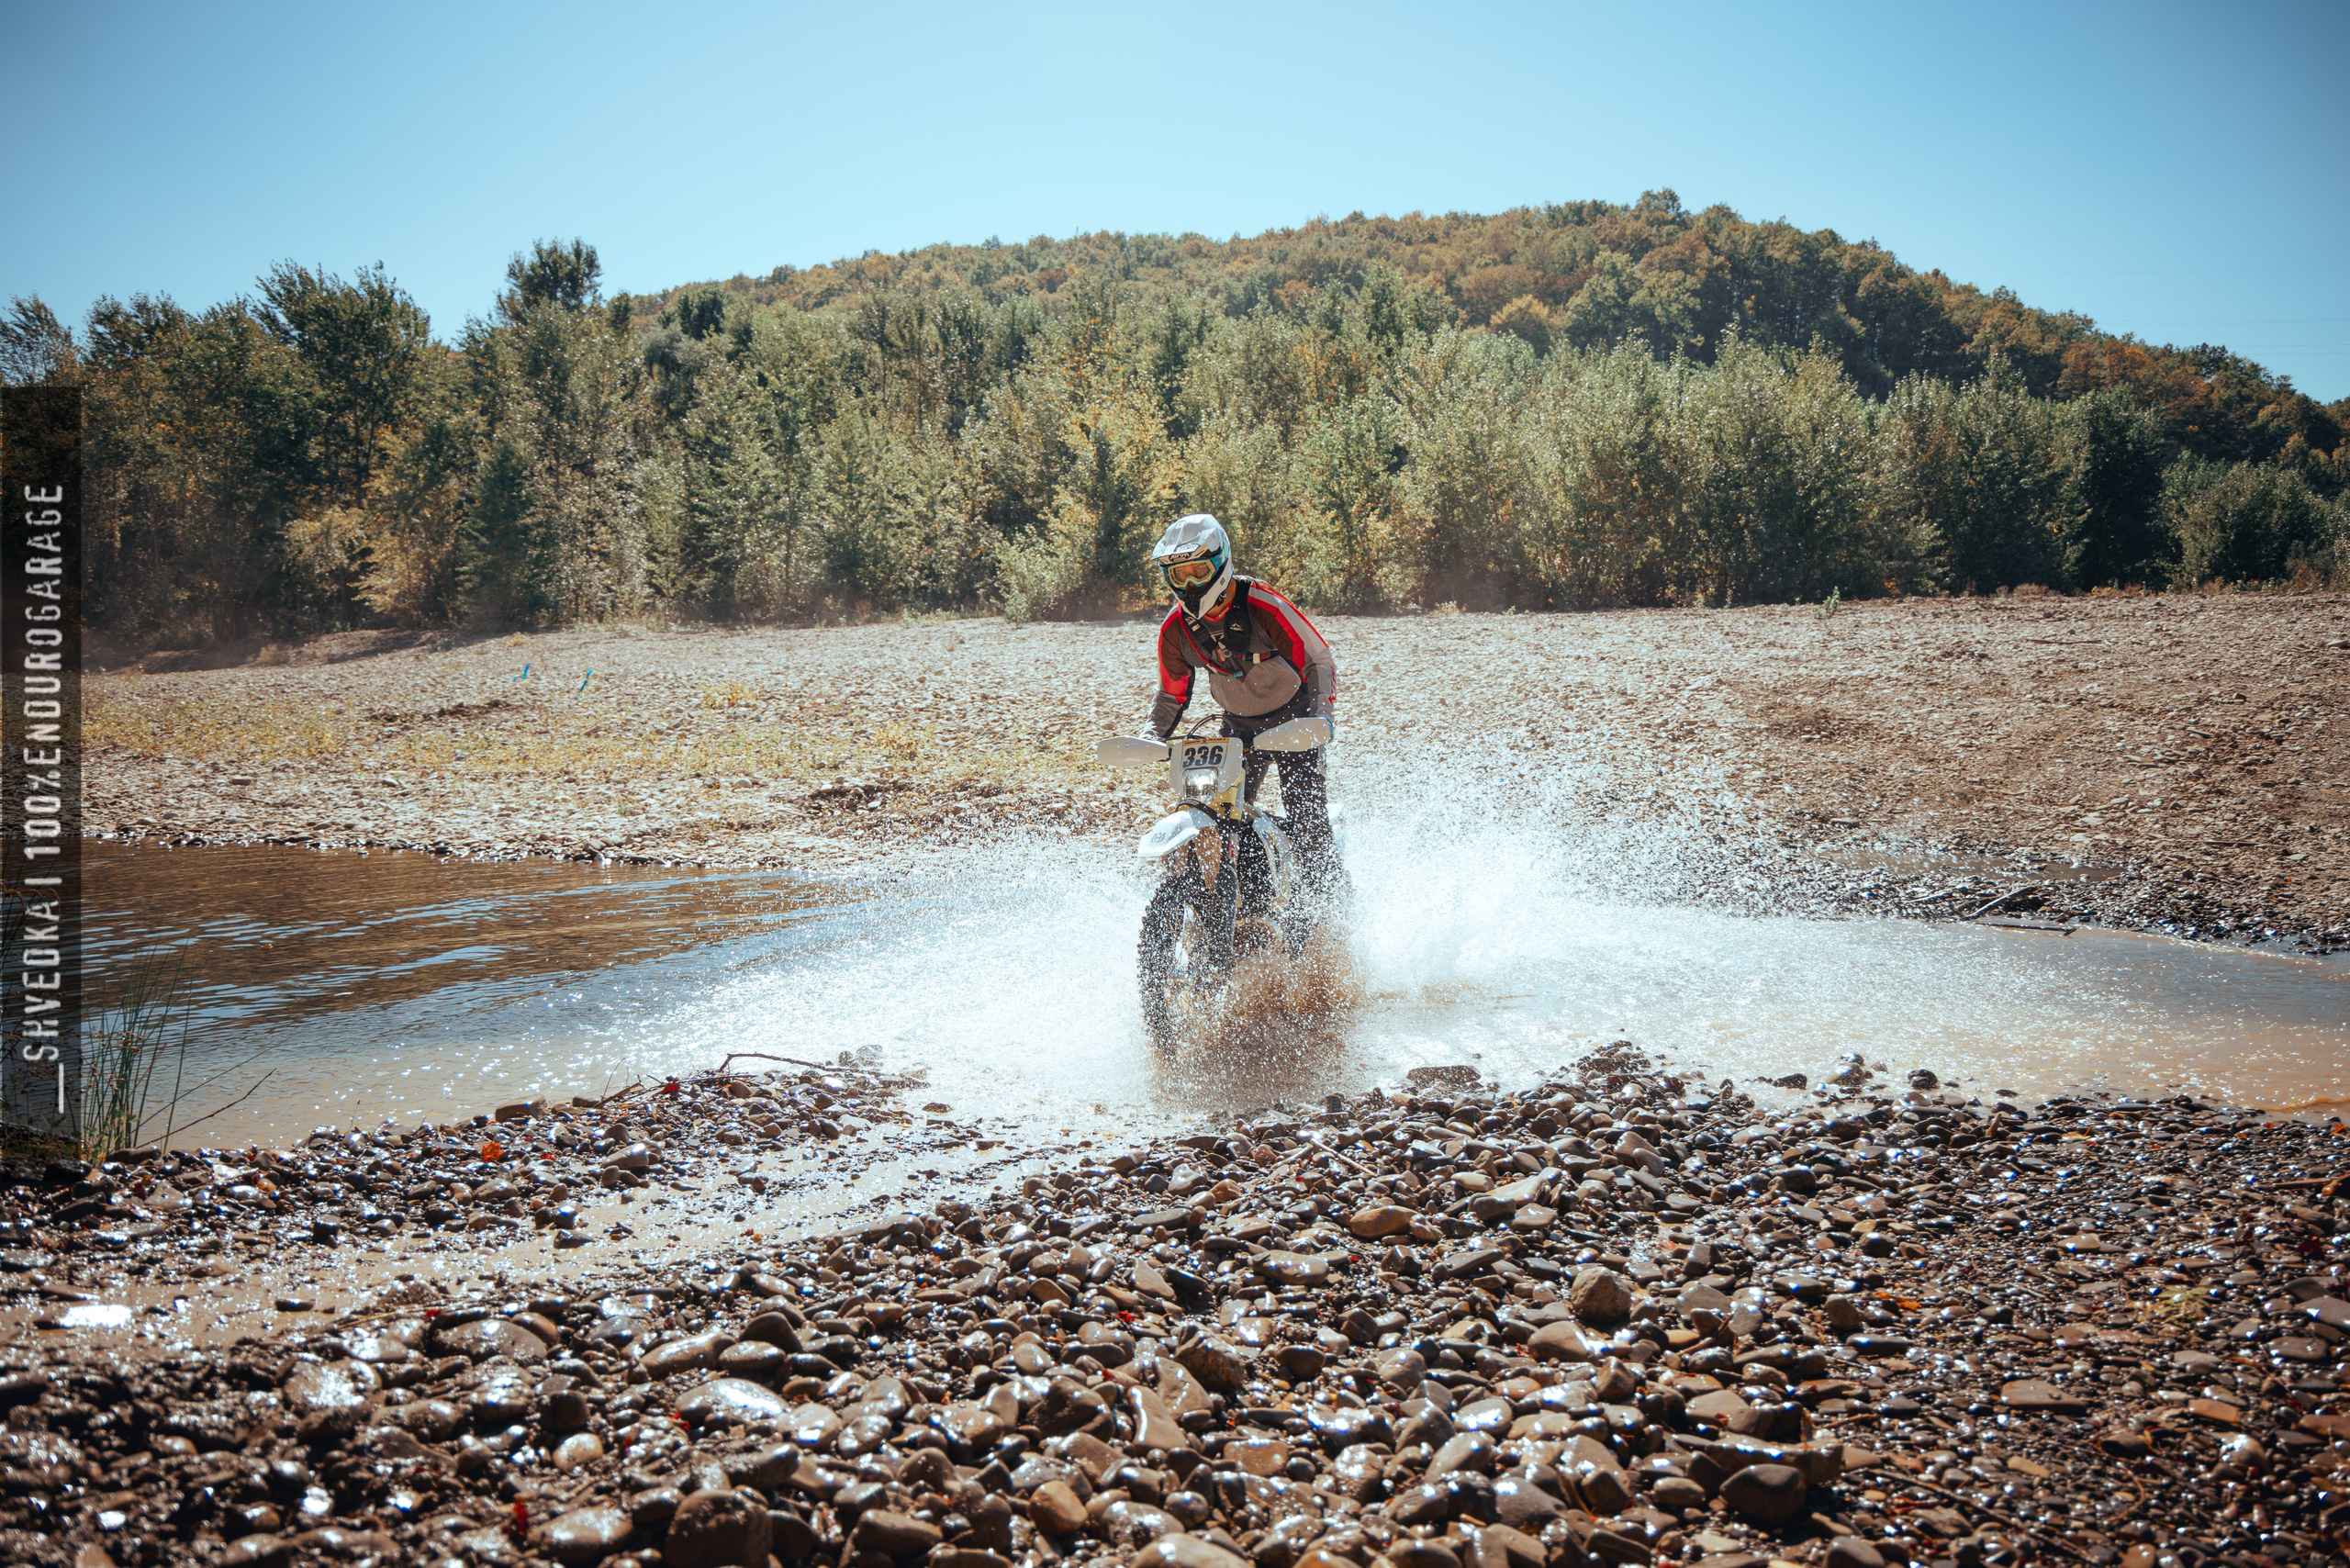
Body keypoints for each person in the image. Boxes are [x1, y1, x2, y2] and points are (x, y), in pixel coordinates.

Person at [1142, 513, 1341, 893]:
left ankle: (1330, 908)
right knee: (1215, 814)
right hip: (1235, 727)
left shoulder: (1263, 604)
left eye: (1197, 571)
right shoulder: (1175, 629)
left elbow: (1318, 660)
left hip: (1293, 722)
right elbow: (1171, 693)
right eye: (1178, 575)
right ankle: (1232, 901)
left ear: (1220, 563)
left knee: (1307, 818)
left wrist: (1322, 717)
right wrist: (1151, 735)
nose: (1188, 584)